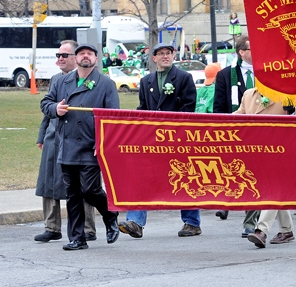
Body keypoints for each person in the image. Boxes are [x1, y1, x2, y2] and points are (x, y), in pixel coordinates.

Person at [40, 43, 120, 251]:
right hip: (66, 146)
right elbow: (45, 103)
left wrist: (103, 143)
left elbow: (113, 118)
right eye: (82, 53)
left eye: (90, 54)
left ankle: (110, 214)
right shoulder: (62, 81)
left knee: (91, 190)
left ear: (95, 59)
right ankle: (77, 238)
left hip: (90, 145)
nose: (86, 57)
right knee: (73, 194)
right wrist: (55, 109)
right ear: (75, 58)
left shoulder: (105, 84)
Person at [118, 43, 201, 239]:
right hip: (152, 139)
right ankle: (135, 222)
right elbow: (143, 108)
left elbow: (189, 109)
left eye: (168, 53)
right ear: (153, 58)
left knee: (186, 177)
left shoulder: (183, 78)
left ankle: (192, 222)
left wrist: (170, 124)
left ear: (173, 56)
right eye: (161, 54)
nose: (165, 56)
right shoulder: (146, 81)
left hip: (178, 139)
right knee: (142, 176)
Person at [34, 40, 97, 243]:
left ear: (76, 58)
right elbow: (48, 109)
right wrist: (42, 135)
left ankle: (87, 228)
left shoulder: (92, 80)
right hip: (54, 137)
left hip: (80, 139)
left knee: (83, 184)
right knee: (49, 181)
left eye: (64, 55)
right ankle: (51, 227)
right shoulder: (55, 80)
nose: (60, 59)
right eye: (58, 55)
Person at [236, 88, 296, 248]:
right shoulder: (248, 94)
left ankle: (261, 230)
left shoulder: (287, 93)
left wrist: (292, 109)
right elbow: (239, 116)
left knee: (272, 190)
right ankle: (287, 230)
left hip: (281, 151)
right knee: (275, 189)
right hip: (256, 152)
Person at [212, 35, 260, 237]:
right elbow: (219, 107)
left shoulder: (264, 73)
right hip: (233, 132)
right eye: (252, 49)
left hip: (258, 134)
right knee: (232, 171)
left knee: (254, 177)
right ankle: (228, 201)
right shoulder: (225, 75)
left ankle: (250, 222)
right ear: (242, 52)